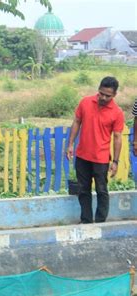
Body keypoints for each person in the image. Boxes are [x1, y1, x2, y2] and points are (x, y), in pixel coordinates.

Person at [66, 77, 124, 224]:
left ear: (114, 95)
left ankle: (100, 222)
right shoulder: (85, 102)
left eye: (108, 95)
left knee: (101, 190)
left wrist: (115, 161)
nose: (103, 98)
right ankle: (86, 221)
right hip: (82, 155)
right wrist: (70, 144)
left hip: (101, 158)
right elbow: (77, 121)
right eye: (101, 93)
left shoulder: (117, 112)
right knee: (83, 190)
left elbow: (117, 137)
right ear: (98, 89)